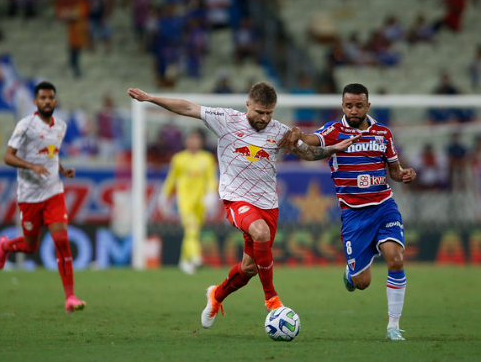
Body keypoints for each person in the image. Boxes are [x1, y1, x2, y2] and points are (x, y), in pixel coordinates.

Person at [127, 82, 358, 329]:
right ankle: (271, 299)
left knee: (249, 269)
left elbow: (309, 154)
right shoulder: (225, 119)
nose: (264, 118)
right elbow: (186, 108)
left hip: (268, 205)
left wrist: (333, 148)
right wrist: (150, 98)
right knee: (260, 232)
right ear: (248, 105)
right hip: (236, 199)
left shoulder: (279, 131)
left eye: (269, 113)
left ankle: (216, 296)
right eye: (259, 112)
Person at [279, 83, 417, 341]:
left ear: (368, 106)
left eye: (359, 105)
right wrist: (296, 131)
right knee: (362, 282)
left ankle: (393, 327)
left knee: (396, 259)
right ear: (342, 106)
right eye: (349, 105)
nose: (353, 110)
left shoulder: (383, 134)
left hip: (384, 206)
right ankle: (351, 271)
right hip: (354, 214)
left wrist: (404, 174)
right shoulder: (334, 131)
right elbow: (310, 140)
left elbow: (394, 171)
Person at [0, 81, 86, 313]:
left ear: (55, 101)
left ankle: (70, 297)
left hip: (54, 191)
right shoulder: (25, 125)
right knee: (30, 246)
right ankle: (5, 245)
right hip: (29, 196)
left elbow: (51, 153)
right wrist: (30, 166)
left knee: (62, 241)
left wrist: (62, 170)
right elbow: (8, 156)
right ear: (35, 102)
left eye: (50, 98)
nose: (46, 101)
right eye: (42, 98)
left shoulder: (61, 127)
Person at [159, 129, 218, 274]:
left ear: (201, 142)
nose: (193, 142)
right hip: (184, 200)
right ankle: (195, 256)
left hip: (201, 201)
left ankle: (185, 261)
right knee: (191, 227)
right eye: (191, 139)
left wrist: (211, 193)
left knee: (193, 230)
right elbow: (171, 178)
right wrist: (164, 195)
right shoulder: (179, 158)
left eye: (196, 139)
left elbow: (211, 178)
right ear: (186, 141)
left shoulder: (207, 158)